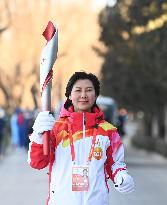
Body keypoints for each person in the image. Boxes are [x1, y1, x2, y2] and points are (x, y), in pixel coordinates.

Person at [28, 71, 134, 205]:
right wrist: (38, 134)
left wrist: (121, 176)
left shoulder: (108, 131)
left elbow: (115, 165)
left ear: (95, 95)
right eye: (78, 90)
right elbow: (37, 162)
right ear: (70, 95)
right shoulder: (56, 129)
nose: (83, 95)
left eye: (89, 90)